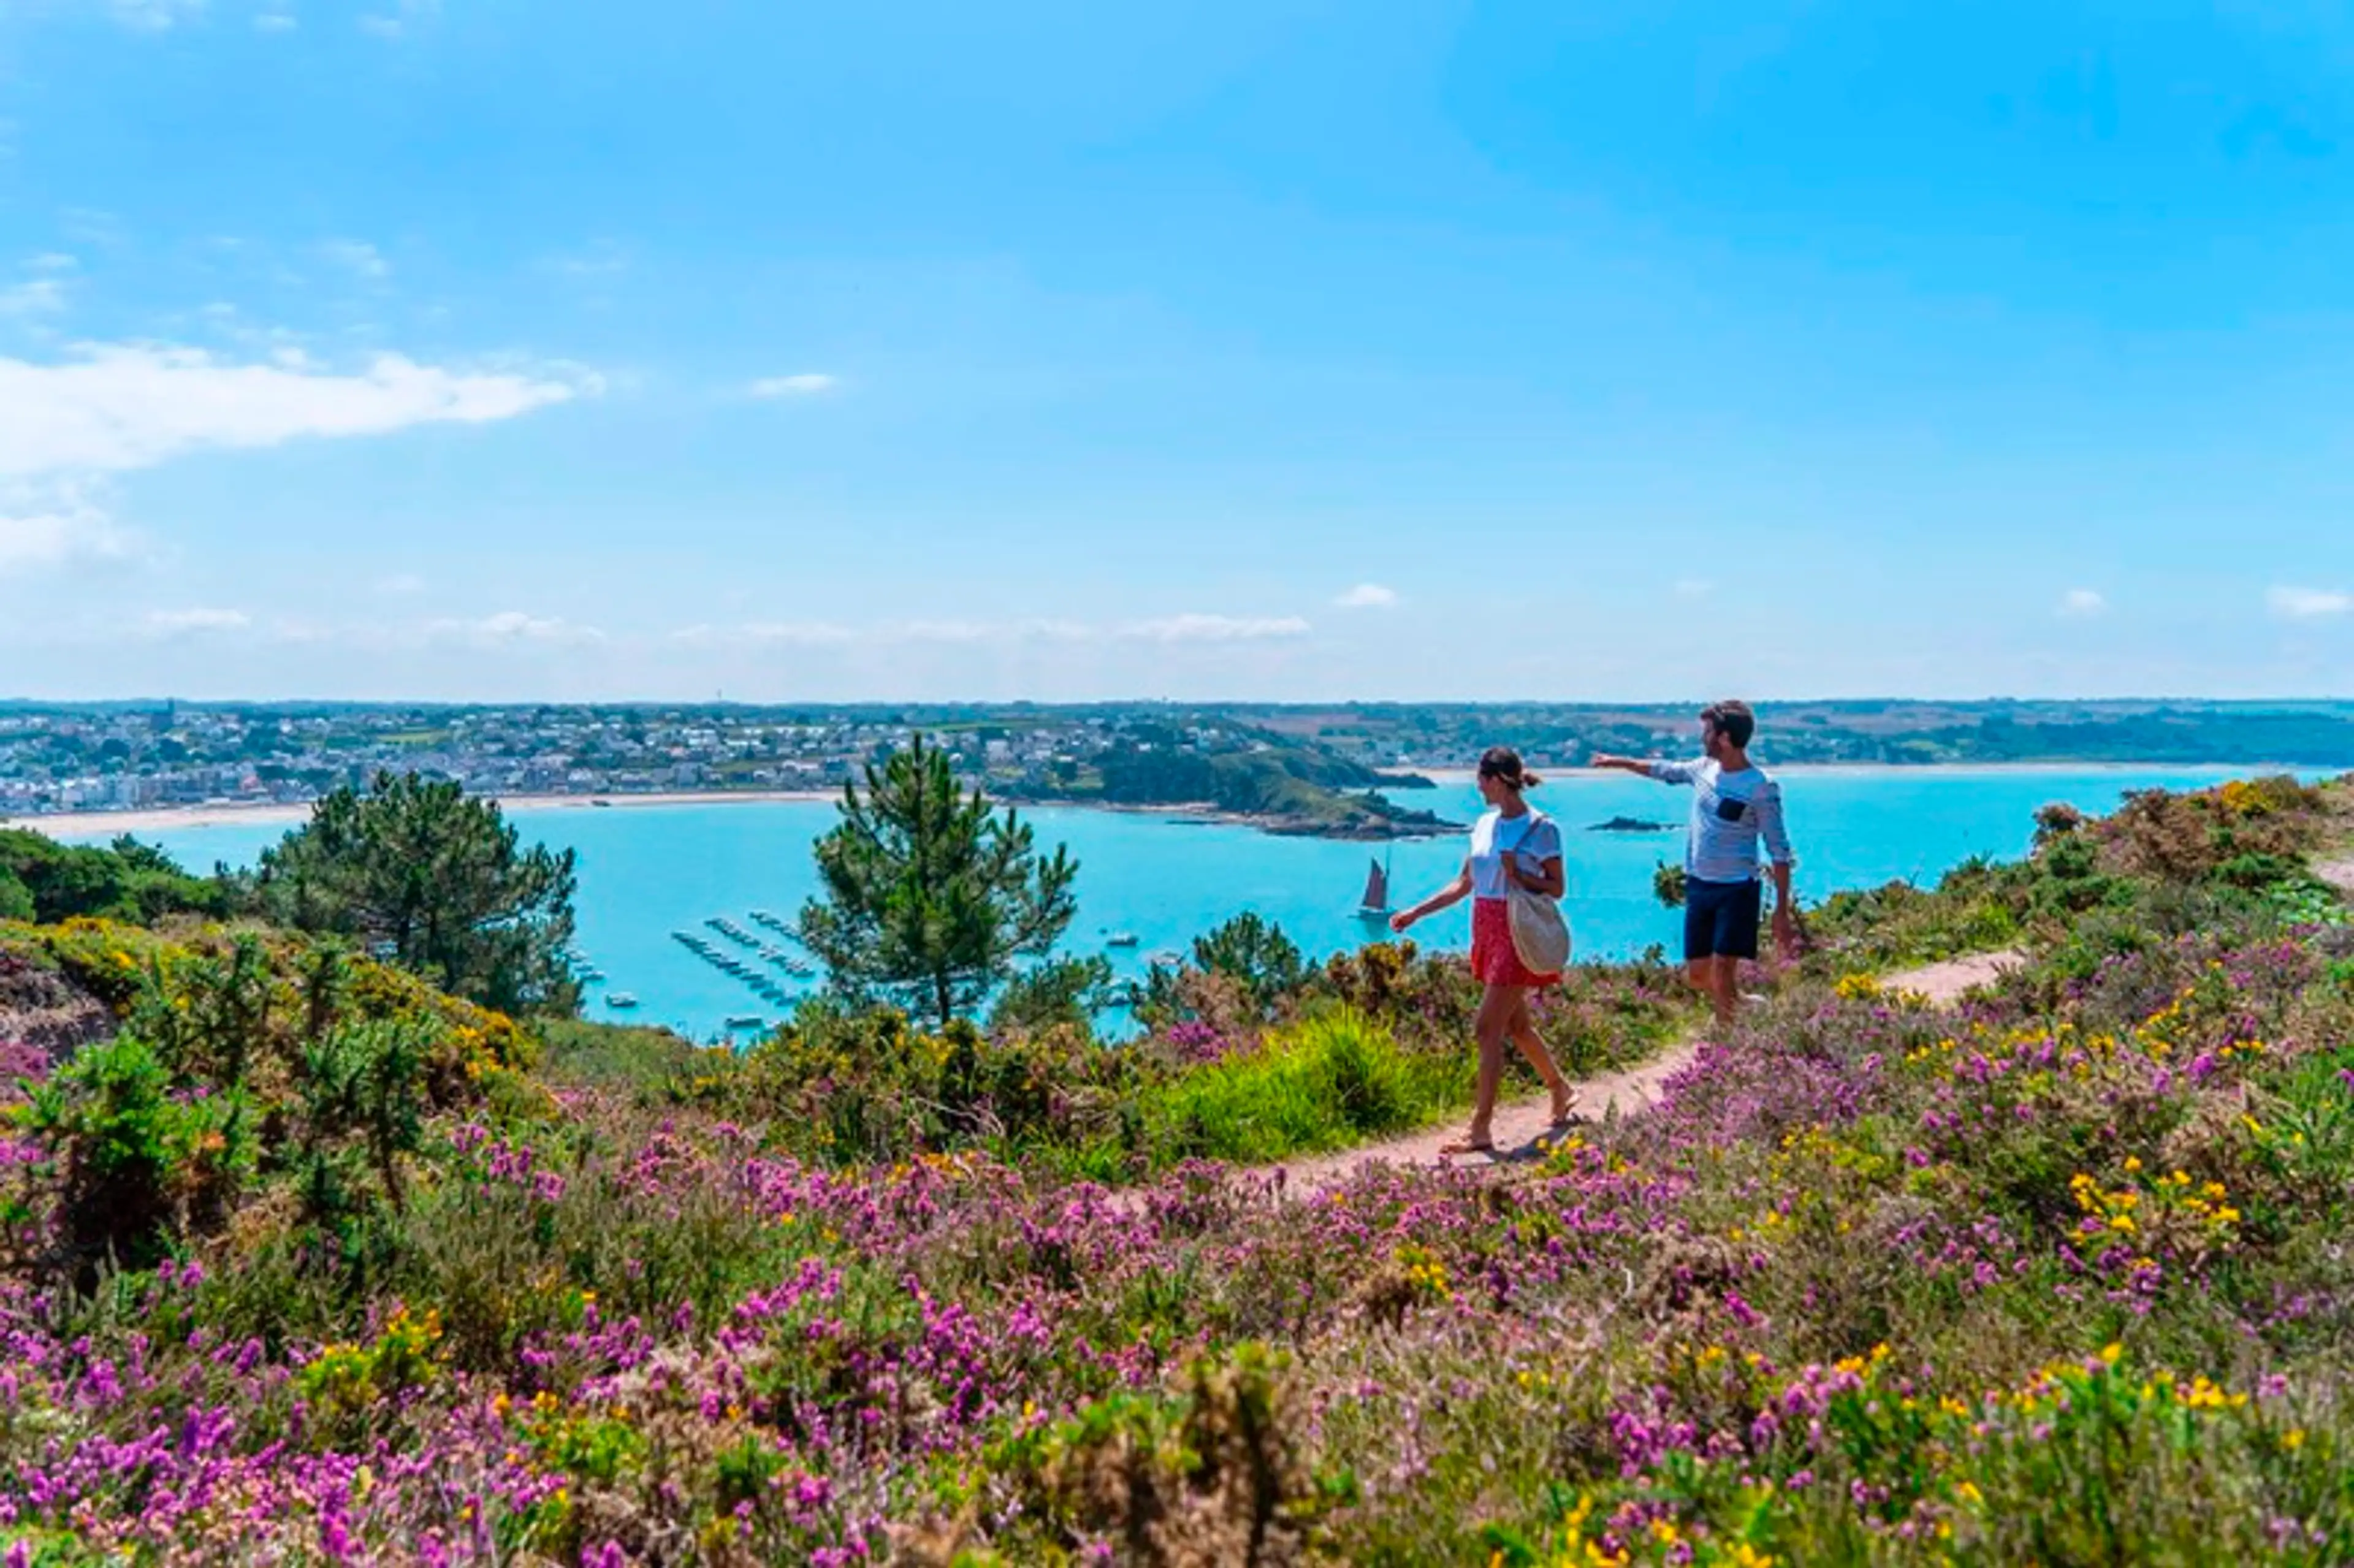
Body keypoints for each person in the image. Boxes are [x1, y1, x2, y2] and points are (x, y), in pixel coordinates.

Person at [1389, 745, 1578, 1155]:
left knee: (1485, 1028)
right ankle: (1560, 1090)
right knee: (1516, 1027)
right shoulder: (1484, 825)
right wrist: (1416, 912)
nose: (1477, 787)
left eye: (1481, 779)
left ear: (1497, 780)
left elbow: (1557, 889)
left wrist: (1522, 874)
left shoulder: (1542, 828)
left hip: (1517, 931)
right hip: (1487, 928)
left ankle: (1481, 1128)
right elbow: (1464, 883)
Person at [1591, 699, 1796, 1030]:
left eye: (1708, 732)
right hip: (1700, 886)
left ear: (1725, 738)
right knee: (1699, 975)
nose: (1704, 739)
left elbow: (1779, 851)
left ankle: (1727, 1046)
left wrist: (1782, 911)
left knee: (1723, 970)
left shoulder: (1761, 787)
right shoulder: (1702, 770)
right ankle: (1743, 1003)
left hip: (1737, 889)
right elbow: (1663, 771)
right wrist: (1618, 762)